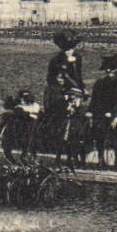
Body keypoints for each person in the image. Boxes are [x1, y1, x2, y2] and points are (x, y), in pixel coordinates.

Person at [43, 32, 84, 162]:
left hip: (74, 91)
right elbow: (51, 79)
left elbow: (79, 77)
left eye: (72, 48)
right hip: (58, 92)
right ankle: (59, 146)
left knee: (79, 117)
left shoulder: (78, 58)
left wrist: (82, 90)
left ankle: (78, 147)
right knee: (62, 118)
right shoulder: (56, 61)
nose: (70, 51)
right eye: (67, 49)